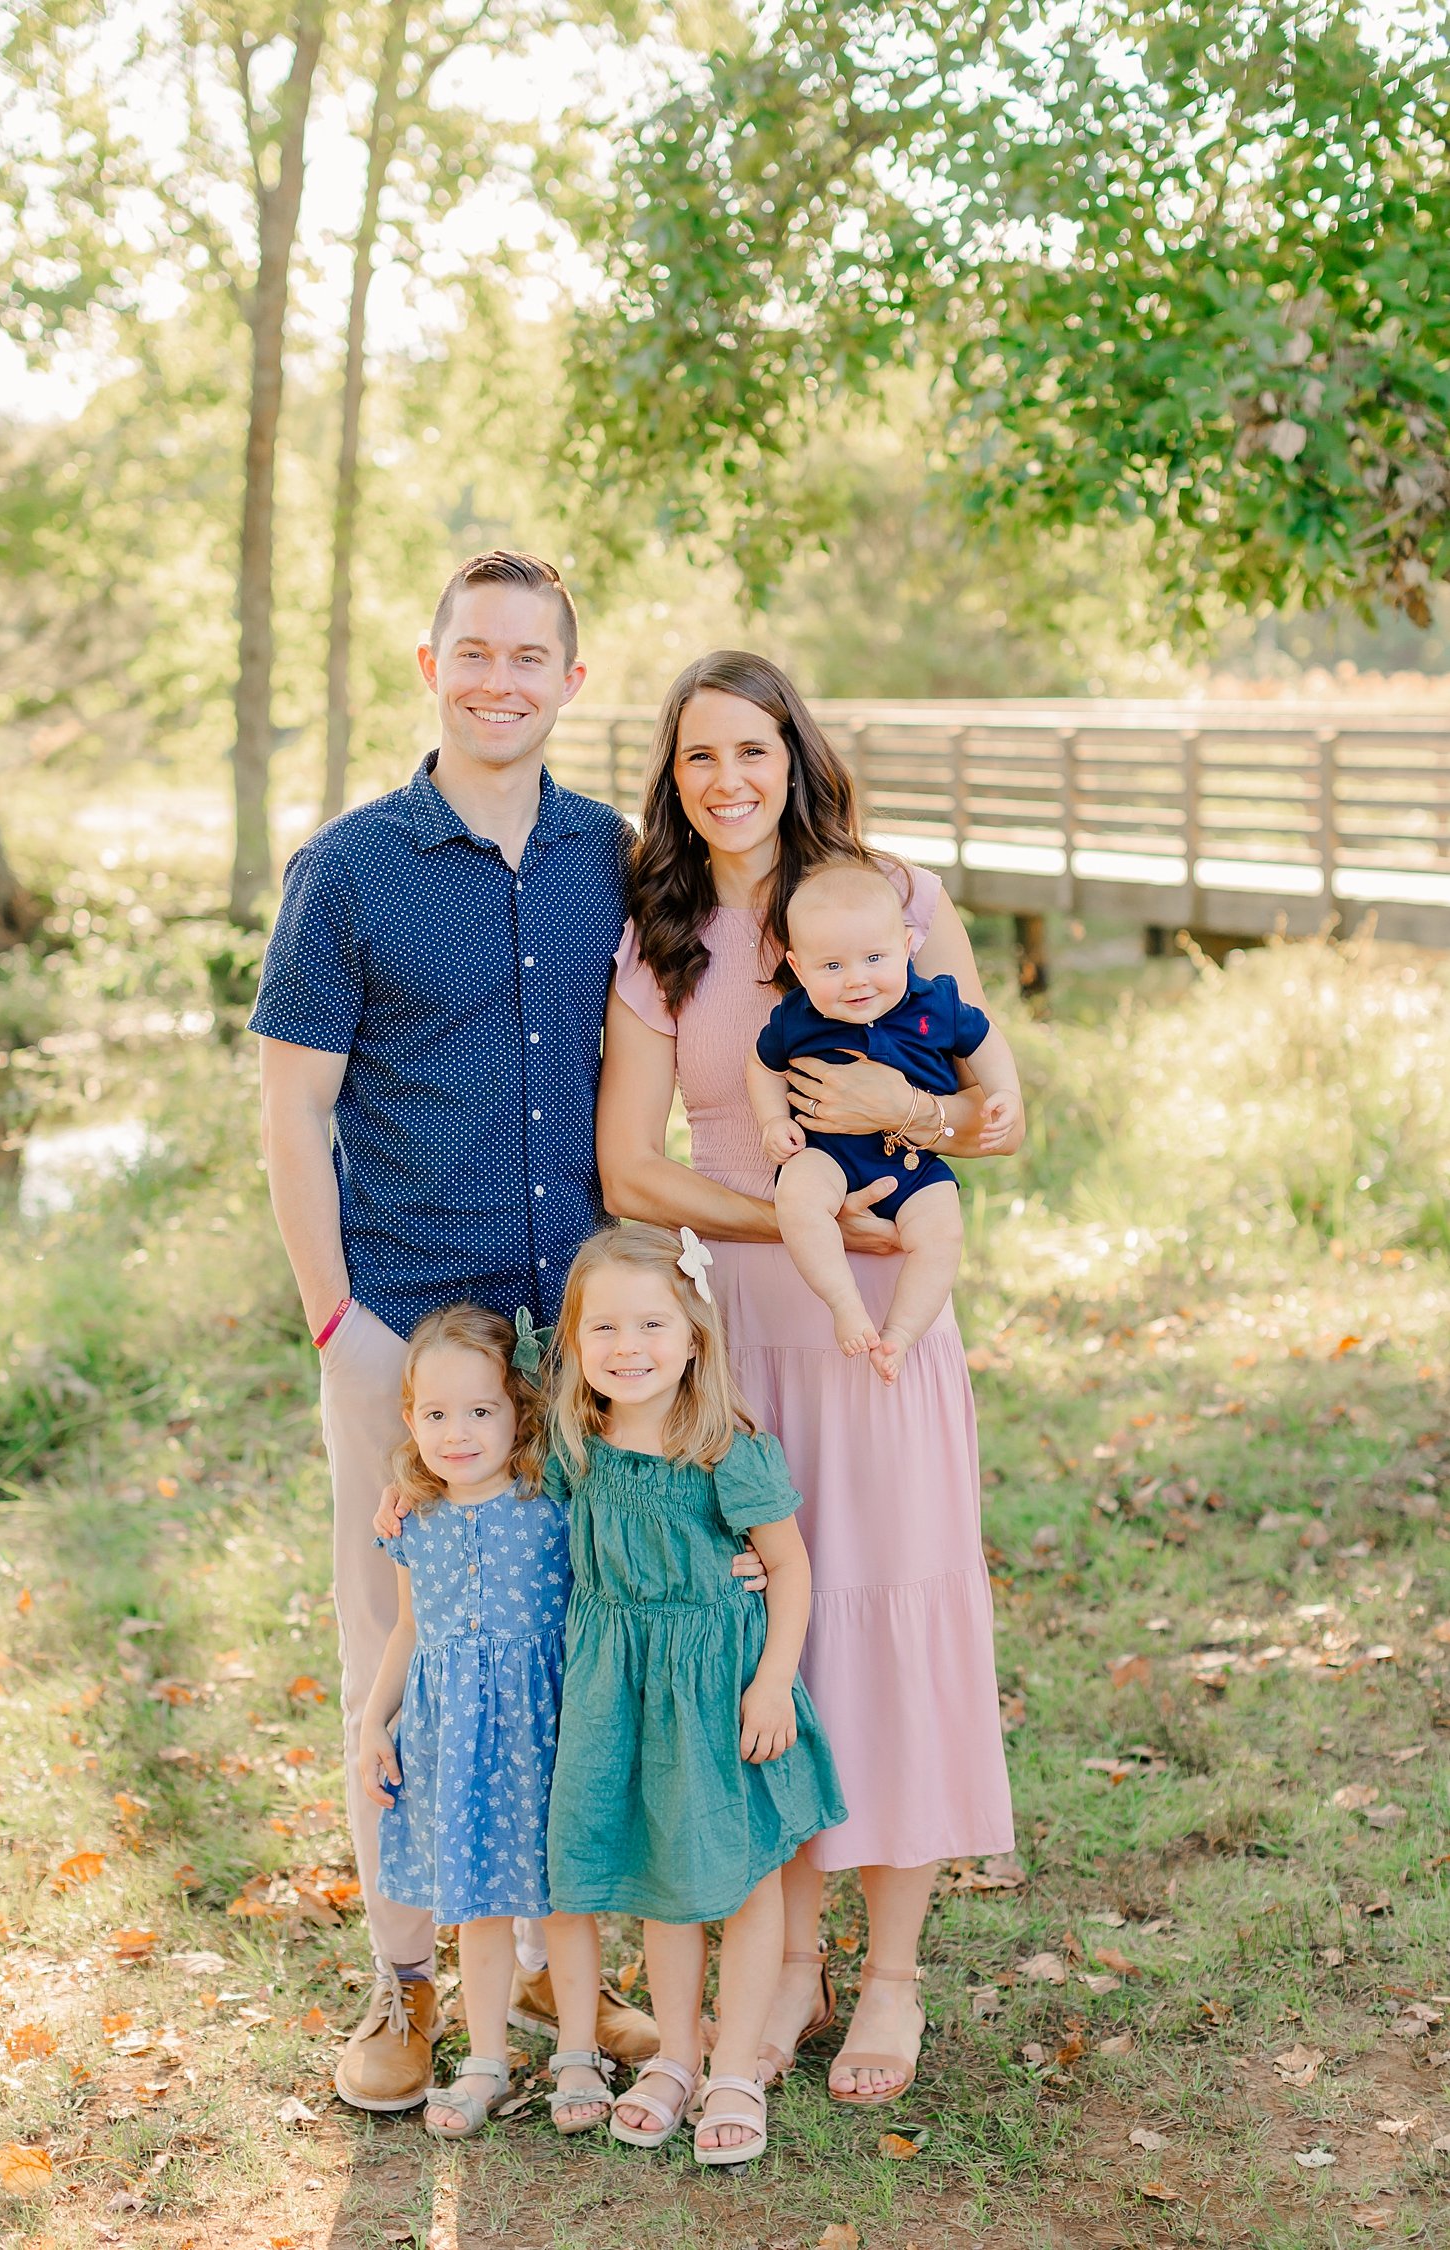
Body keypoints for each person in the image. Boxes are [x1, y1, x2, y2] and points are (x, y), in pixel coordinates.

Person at [248, 550, 658, 2110]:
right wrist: (333, 1314)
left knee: (570, 1650)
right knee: (402, 1654)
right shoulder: (348, 869)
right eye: (473, 650)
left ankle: (567, 1972)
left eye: (530, 655)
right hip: (408, 1337)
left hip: (582, 1342)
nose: (500, 677)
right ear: (430, 664)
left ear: (569, 675)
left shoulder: (608, 857)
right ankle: (405, 1979)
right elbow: (293, 1107)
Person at [597, 649, 1020, 2106]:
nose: (729, 780)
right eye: (700, 755)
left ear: (796, 754)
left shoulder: (891, 898)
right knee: (773, 1633)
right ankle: (787, 1962)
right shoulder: (661, 935)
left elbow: (1001, 1111)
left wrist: (916, 1115)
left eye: (754, 751)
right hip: (751, 1331)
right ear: (674, 772)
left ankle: (891, 1967)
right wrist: (779, 1208)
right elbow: (629, 1161)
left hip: (886, 1319)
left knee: (893, 1612)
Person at [542, 1224, 845, 2164]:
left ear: (694, 1334)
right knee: (662, 1880)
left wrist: (770, 1683)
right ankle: (676, 2055)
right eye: (605, 1330)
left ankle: (738, 2069)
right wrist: (403, 1491)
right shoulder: (575, 1442)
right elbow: (473, 1488)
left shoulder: (726, 1446)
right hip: (616, 1693)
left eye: (651, 1324)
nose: (628, 1349)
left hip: (717, 1691)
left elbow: (789, 1571)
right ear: (576, 1344)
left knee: (744, 1876)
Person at [359, 1303, 612, 2137]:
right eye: (436, 1414)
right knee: (477, 1903)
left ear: (518, 1414)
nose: (457, 1432)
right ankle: (487, 2061)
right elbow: (407, 1629)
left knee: (565, 1897)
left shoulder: (552, 1500)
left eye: (480, 1411)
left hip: (547, 1728)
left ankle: (578, 2051)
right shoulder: (415, 1521)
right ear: (410, 1419)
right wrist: (374, 1722)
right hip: (454, 1741)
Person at [749, 859, 1023, 1383]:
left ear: (904, 944)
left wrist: (1004, 1091)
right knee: (799, 1199)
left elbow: (984, 1039)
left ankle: (900, 1333)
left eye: (874, 958)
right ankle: (844, 1304)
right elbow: (761, 1064)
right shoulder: (796, 1017)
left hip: (914, 1163)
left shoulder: (934, 1002)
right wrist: (771, 1120)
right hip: (825, 1154)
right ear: (799, 967)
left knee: (942, 1232)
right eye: (831, 967)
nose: (856, 980)